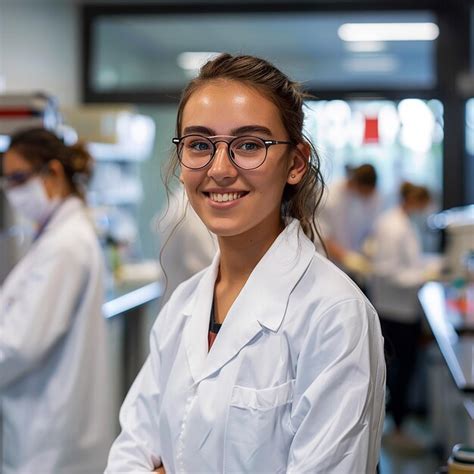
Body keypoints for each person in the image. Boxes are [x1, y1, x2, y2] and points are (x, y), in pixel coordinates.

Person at [106, 53, 385, 473]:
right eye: (199, 145)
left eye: (249, 145)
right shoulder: (182, 308)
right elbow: (130, 453)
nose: (220, 169)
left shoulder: (334, 314)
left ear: (295, 163)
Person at [0, 128, 113, 473]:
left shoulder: (64, 245)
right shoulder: (60, 236)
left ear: (53, 172)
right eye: (7, 181)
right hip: (49, 431)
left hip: (49, 439)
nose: (13, 192)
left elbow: (19, 345)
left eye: (19, 178)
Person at [368, 181, 437, 448]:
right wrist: (424, 276)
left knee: (403, 369)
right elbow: (387, 271)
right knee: (398, 371)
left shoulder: (402, 222)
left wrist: (428, 267)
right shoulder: (392, 226)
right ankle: (395, 429)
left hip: (403, 308)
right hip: (393, 310)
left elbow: (409, 262)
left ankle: (398, 426)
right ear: (414, 200)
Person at [153, 186, 217, 306]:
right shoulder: (188, 209)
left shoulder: (179, 203)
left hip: (183, 306)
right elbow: (211, 269)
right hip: (190, 309)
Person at [319, 163, 383, 278]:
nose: (367, 197)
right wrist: (347, 258)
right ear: (356, 183)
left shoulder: (371, 196)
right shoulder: (328, 197)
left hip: (357, 268)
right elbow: (321, 237)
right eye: (365, 192)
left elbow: (371, 225)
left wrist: (370, 243)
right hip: (332, 267)